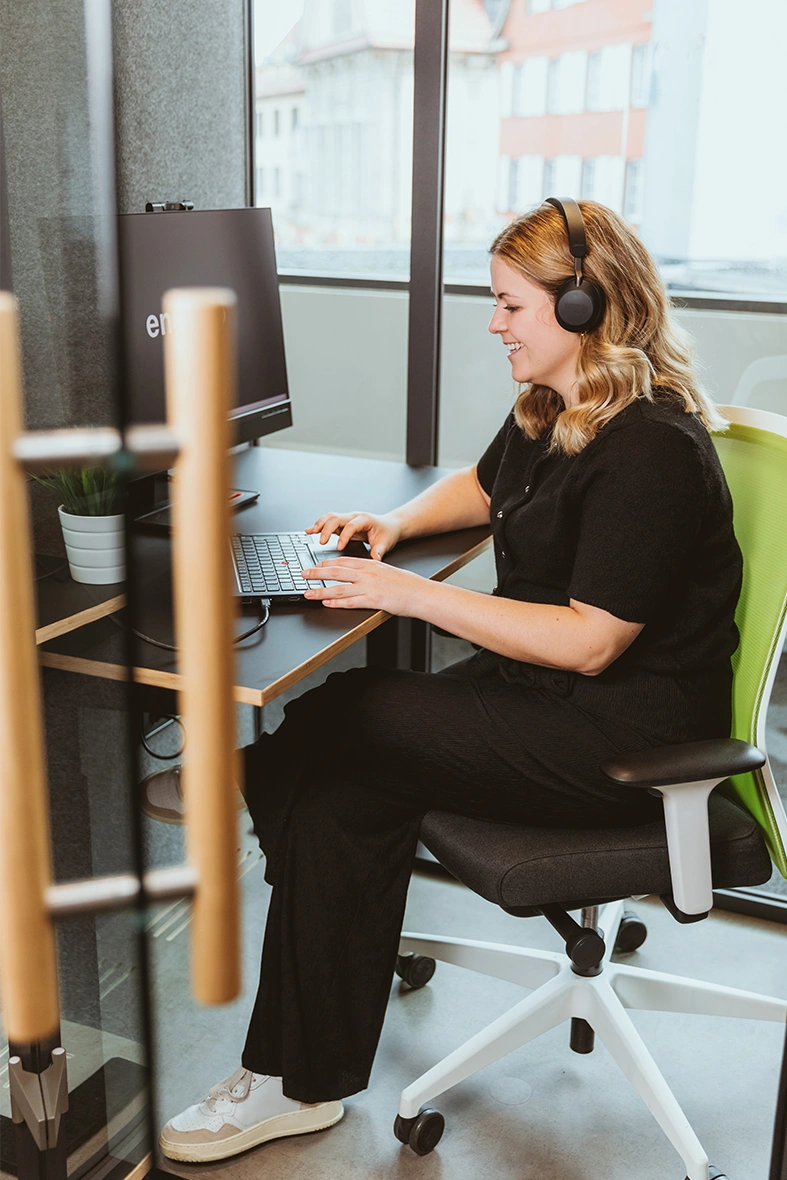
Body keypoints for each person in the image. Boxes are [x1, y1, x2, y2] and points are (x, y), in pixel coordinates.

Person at [157, 199, 742, 1162]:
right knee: (344, 794)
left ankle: (243, 791)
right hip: (543, 698)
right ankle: (298, 1083)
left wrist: (406, 596)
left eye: (510, 305)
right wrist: (395, 529)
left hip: (625, 739)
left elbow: (591, 642)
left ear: (585, 307)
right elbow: (483, 485)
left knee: (352, 711)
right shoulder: (560, 405)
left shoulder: (651, 448)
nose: (493, 323)